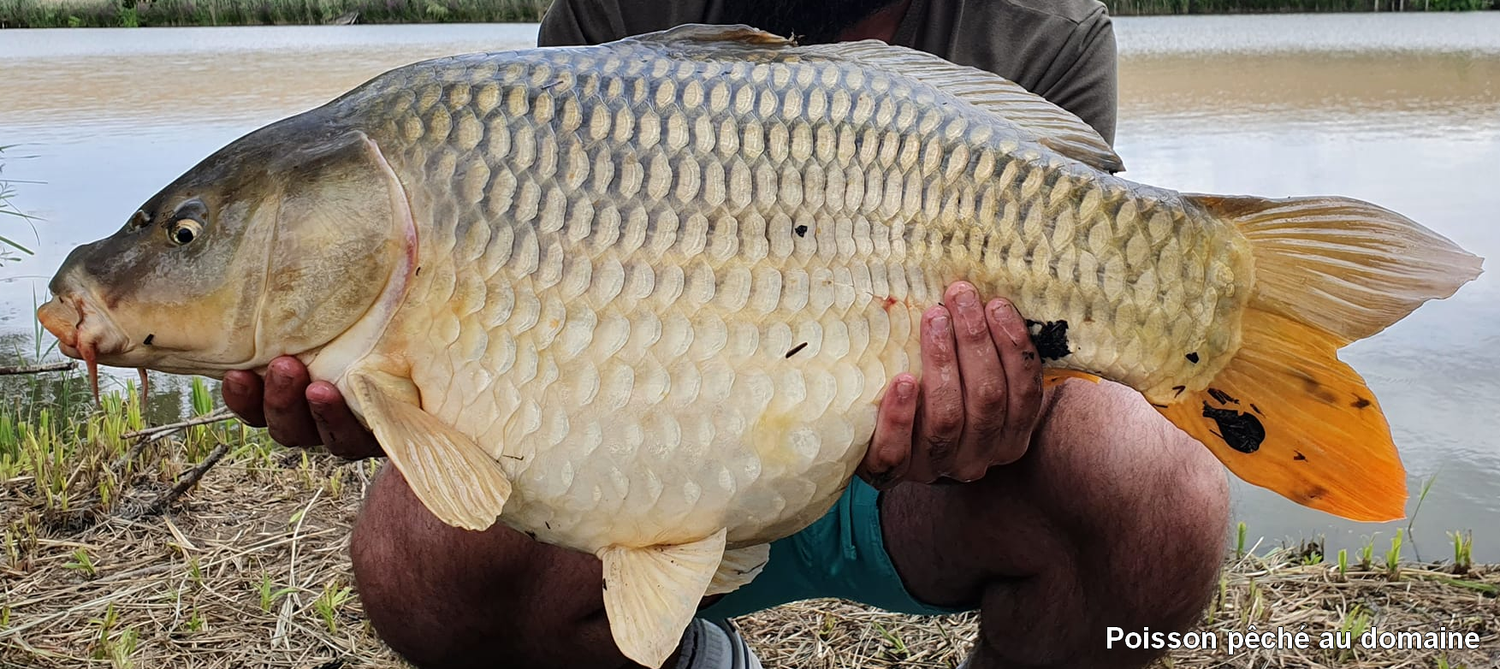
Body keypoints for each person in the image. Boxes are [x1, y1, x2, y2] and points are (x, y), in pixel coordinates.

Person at [222, 1, 1230, 667]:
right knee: (417, 559)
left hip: (931, 474)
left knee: (1157, 493)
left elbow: (1075, 352)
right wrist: (393, 391)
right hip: (640, 453)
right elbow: (516, 316)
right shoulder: (608, 11)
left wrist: (1005, 403)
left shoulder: (1042, 27)